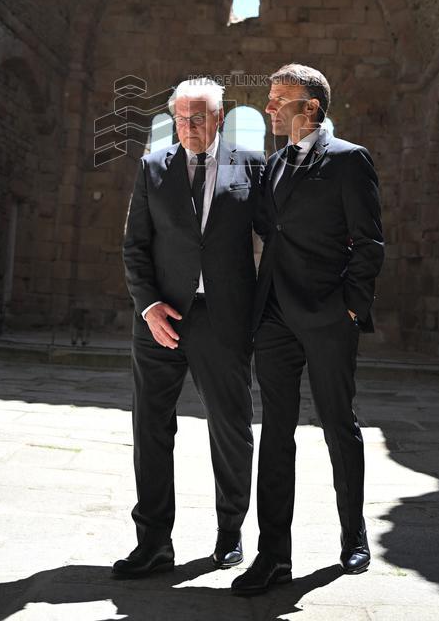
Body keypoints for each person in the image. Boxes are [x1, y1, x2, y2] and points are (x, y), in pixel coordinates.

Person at [232, 63, 384, 597]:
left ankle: (354, 533)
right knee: (275, 431)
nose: (269, 107)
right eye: (270, 99)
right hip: (273, 317)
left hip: (327, 316)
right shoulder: (272, 167)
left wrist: (350, 309)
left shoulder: (348, 161)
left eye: (279, 99)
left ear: (310, 107)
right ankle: (274, 556)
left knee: (339, 425)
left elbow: (369, 244)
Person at [113, 78, 265, 579]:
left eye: (198, 118)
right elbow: (135, 246)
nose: (188, 127)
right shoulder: (153, 167)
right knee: (150, 429)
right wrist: (148, 305)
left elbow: (274, 245)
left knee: (231, 429)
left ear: (220, 117)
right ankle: (153, 542)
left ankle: (229, 534)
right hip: (160, 319)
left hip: (224, 321)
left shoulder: (253, 167)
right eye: (179, 119)